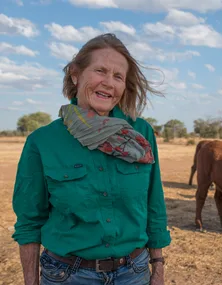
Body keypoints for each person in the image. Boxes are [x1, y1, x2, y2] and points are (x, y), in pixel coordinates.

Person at [12, 33, 171, 285]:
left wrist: (158, 268)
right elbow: (30, 221)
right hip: (67, 275)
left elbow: (154, 205)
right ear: (75, 74)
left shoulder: (140, 135)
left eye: (118, 76)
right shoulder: (43, 141)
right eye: (100, 71)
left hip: (134, 272)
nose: (109, 82)